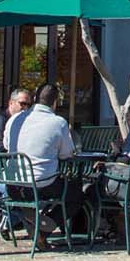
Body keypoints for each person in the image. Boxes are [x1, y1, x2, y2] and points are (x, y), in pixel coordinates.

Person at [8, 81, 90, 233]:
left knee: (63, 185)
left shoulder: (14, 120)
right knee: (76, 193)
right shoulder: (58, 123)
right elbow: (67, 154)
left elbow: (7, 146)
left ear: (35, 99)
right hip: (42, 185)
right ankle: (46, 227)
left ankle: (33, 219)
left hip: (13, 185)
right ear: (55, 103)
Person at [0, 87, 31, 156]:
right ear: (11, 103)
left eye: (28, 105)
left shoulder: (21, 123)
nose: (26, 108)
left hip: (7, 163)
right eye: (22, 103)